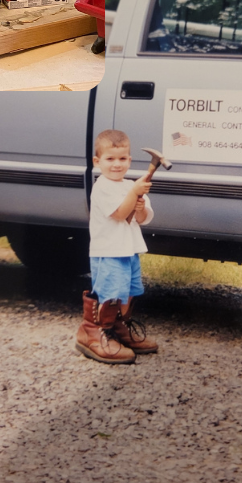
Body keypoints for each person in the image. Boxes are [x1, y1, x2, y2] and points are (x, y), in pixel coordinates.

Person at [75, 129, 161, 364]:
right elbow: (121, 213)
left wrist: (140, 204)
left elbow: (140, 218)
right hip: (109, 251)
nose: (116, 164)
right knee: (110, 292)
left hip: (129, 249)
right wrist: (134, 192)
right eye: (110, 159)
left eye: (122, 159)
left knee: (128, 292)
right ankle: (92, 333)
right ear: (97, 161)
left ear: (130, 160)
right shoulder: (102, 187)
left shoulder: (130, 185)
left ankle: (118, 328)